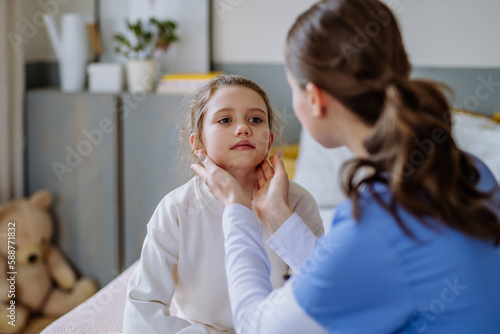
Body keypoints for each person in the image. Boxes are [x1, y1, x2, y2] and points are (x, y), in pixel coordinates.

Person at [192, 0, 500, 333]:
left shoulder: (379, 222)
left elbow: (256, 326)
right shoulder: (469, 170)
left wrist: (236, 210)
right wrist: (279, 217)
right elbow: (355, 279)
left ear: (315, 98)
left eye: (293, 88)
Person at [122, 74, 324, 333]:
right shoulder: (176, 209)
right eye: (225, 120)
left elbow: (321, 297)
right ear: (198, 143)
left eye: (255, 119)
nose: (243, 128)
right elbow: (141, 313)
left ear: (270, 141)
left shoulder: (298, 202)